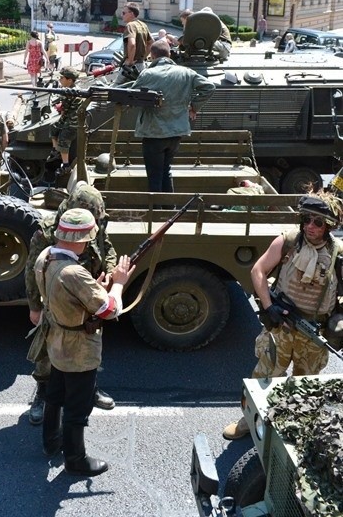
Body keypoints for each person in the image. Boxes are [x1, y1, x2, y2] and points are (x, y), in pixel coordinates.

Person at [223, 192, 343, 441]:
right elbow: (258, 270)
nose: (311, 226)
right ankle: (248, 421)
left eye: (318, 222)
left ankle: (295, 428)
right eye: (307, 219)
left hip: (314, 332)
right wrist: (269, 307)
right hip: (282, 326)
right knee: (265, 377)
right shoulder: (288, 241)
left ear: (329, 225)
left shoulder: (338, 253)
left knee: (306, 385)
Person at [33, 207, 134, 475]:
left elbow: (62, 296)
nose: (89, 243)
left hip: (56, 340)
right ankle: (76, 460)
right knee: (78, 406)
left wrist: (91, 287)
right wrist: (119, 284)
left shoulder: (45, 257)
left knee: (55, 394)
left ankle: (50, 442)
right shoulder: (74, 273)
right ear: (81, 239)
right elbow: (110, 310)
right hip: (78, 348)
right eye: (88, 239)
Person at [25, 182, 118, 424]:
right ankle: (44, 395)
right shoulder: (49, 232)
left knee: (88, 346)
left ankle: (90, 388)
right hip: (58, 302)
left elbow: (107, 248)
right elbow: (32, 268)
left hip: (88, 298)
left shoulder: (94, 223)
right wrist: (34, 306)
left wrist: (108, 271)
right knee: (49, 352)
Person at [125, 39, 215, 192]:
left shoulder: (148, 74)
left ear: (152, 56)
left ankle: (157, 211)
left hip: (154, 133)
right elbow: (209, 87)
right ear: (169, 54)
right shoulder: (186, 73)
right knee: (165, 171)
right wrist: (194, 107)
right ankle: (169, 208)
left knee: (154, 176)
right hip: (176, 132)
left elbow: (132, 98)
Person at [48, 66, 82, 171]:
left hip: (72, 122)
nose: (60, 80)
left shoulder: (70, 92)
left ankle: (66, 166)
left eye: (62, 78)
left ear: (70, 80)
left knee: (63, 140)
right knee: (53, 127)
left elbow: (63, 109)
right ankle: (55, 150)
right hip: (69, 118)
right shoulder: (73, 89)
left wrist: (59, 106)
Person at [114, 2, 153, 84]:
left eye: (124, 13)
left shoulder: (130, 25)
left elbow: (132, 44)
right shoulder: (143, 25)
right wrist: (143, 57)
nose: (122, 15)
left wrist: (130, 61)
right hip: (141, 65)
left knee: (114, 89)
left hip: (131, 66)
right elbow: (151, 42)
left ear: (131, 13)